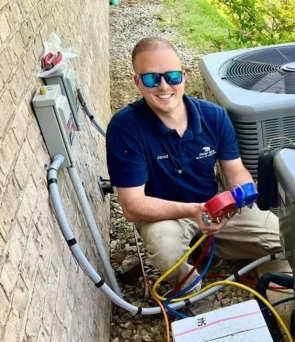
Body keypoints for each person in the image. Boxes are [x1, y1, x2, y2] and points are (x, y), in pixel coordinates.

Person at [105, 37, 281, 293]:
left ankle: (207, 246)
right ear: (137, 82)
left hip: (211, 203)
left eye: (172, 76)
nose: (164, 86)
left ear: (184, 76)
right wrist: (195, 211)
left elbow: (235, 171)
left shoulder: (214, 116)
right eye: (152, 79)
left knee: (280, 236)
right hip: (163, 213)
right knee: (165, 247)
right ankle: (191, 293)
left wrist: (241, 196)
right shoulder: (125, 127)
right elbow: (133, 206)